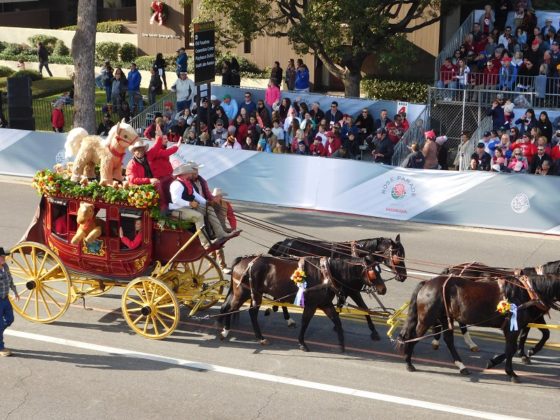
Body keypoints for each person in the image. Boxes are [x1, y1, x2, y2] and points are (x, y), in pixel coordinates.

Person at [0, 246, 19, 357]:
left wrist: (15, 292)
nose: (4, 258)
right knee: (0, 325)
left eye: (4, 257)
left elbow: (10, 279)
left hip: (5, 299)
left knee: (10, 319)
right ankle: (1, 347)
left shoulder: (5, 267)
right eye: (1, 257)